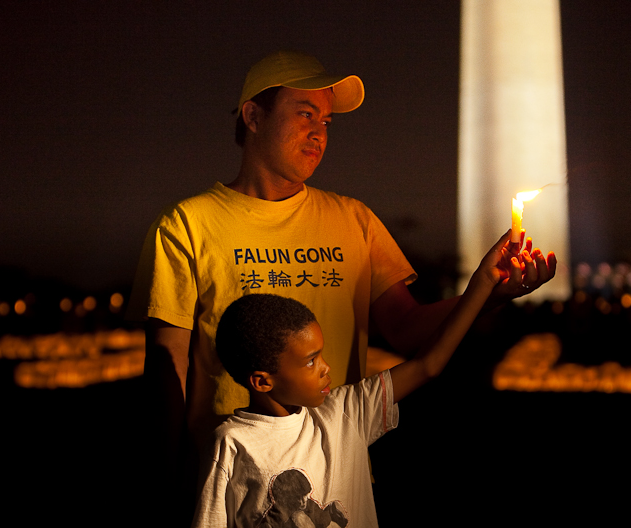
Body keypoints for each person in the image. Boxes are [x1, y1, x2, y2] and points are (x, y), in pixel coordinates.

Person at [126, 50, 556, 520]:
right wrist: (163, 484)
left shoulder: (355, 220)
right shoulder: (186, 225)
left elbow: (409, 328)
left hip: (335, 480)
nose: (319, 132)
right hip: (230, 486)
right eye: (305, 114)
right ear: (253, 116)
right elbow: (168, 369)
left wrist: (488, 293)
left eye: (327, 121)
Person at [191, 231, 547, 527]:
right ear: (262, 381)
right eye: (311, 361)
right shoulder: (231, 443)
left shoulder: (345, 412)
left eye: (322, 355)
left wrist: (484, 284)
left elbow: (428, 364)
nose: (326, 368)